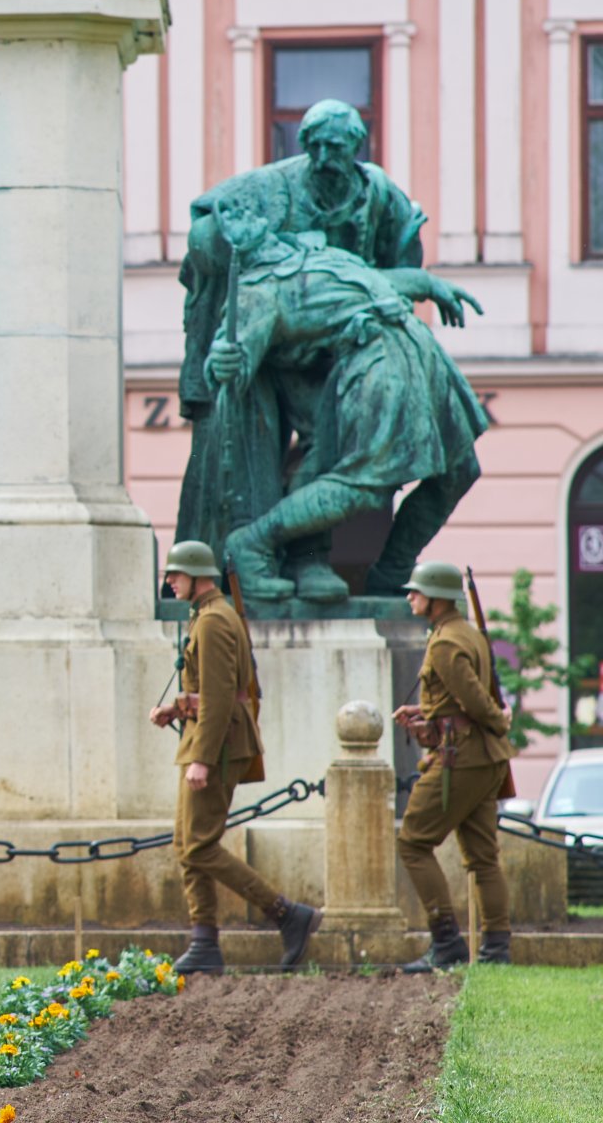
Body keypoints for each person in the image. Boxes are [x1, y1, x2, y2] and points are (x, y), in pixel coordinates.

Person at [202, 192, 486, 600]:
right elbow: (232, 353)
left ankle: (391, 573)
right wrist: (222, 361)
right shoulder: (258, 291)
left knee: (460, 471)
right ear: (229, 242)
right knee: (364, 483)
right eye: (230, 216)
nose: (243, 214)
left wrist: (428, 284)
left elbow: (378, 282)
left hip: (418, 354)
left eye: (247, 207)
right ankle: (251, 543)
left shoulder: (311, 253)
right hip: (374, 362)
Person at [149, 541, 321, 976]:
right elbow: (211, 690)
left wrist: (203, 758)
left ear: (198, 575)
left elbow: (223, 697)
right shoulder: (207, 616)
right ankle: (204, 940)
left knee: (199, 845)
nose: (169, 580)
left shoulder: (213, 621)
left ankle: (286, 913)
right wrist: (177, 707)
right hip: (206, 739)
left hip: (216, 746)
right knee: (188, 844)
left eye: (176, 574)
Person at [393, 561, 517, 971]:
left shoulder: (446, 642)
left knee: (412, 842)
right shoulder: (468, 635)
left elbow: (475, 701)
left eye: (417, 591)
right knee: (483, 857)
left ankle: (445, 942)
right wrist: (426, 711)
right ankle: (497, 950)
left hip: (461, 759)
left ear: (437, 597)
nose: (410, 596)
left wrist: (500, 719)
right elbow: (456, 699)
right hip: (483, 758)